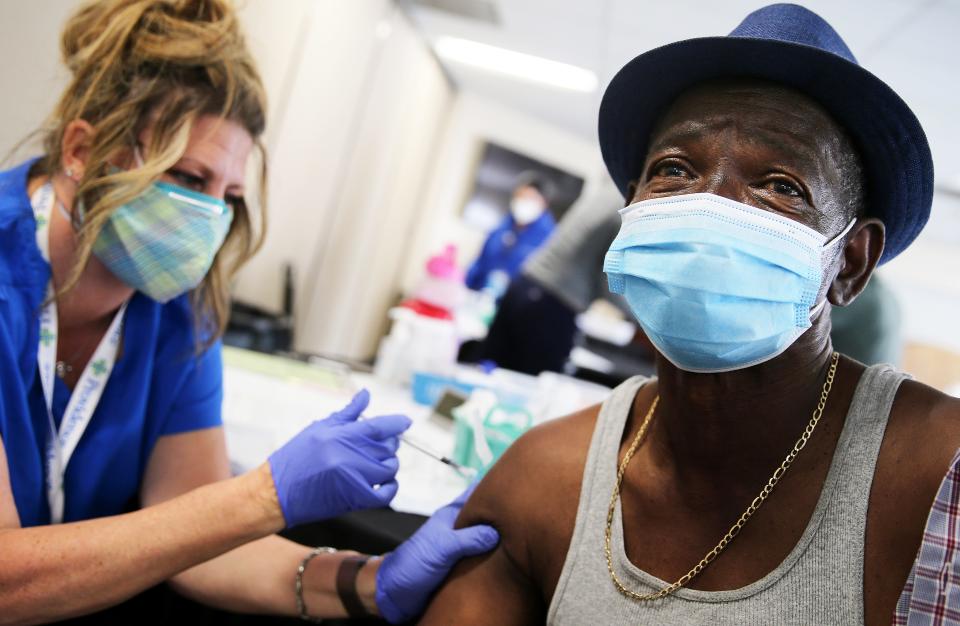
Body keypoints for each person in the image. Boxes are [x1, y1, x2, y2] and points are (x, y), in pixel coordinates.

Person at [421, 4, 960, 625]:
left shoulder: (936, 481)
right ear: (629, 213)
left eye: (781, 185)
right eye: (674, 170)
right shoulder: (544, 480)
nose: (707, 209)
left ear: (850, 263)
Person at [0, 1, 496, 624]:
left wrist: (371, 581)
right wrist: (261, 495)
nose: (209, 217)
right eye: (187, 176)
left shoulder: (178, 308)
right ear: (81, 149)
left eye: (228, 195)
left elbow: (194, 542)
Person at [467, 181, 635, 375]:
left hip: (523, 286)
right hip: (551, 304)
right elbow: (609, 279)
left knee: (488, 370)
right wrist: (641, 319)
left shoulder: (610, 190)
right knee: (534, 386)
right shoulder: (627, 209)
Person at [464, 172, 557, 295]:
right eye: (520, 196)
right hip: (481, 296)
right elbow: (482, 260)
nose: (524, 202)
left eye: (530, 198)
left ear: (544, 203)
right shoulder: (502, 226)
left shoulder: (550, 238)